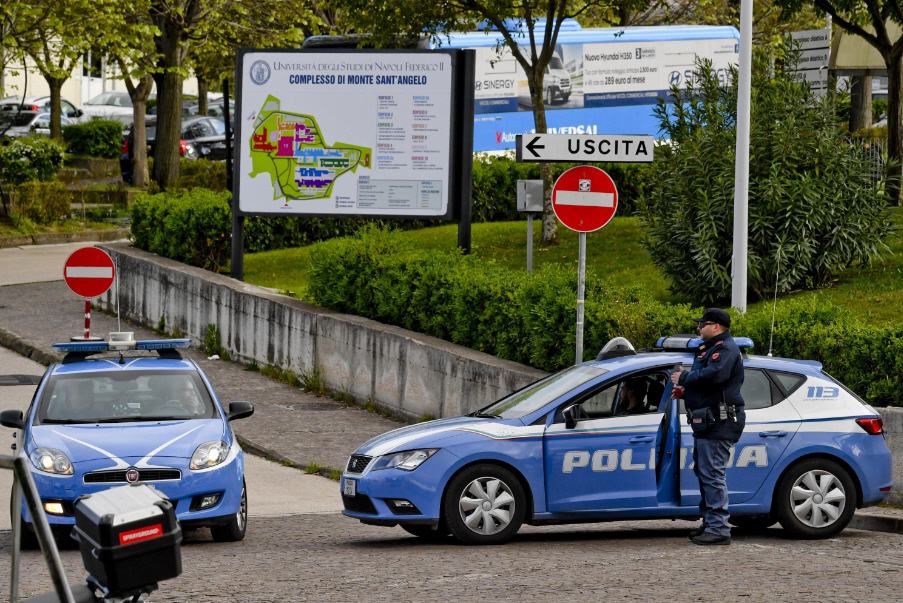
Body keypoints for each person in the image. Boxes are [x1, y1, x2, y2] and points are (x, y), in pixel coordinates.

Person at [670, 308, 745, 546]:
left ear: (715, 327)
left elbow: (715, 376)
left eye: (702, 324)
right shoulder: (712, 349)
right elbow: (710, 388)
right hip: (709, 423)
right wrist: (686, 392)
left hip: (719, 423)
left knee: (712, 474)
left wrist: (683, 378)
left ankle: (719, 528)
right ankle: (710, 523)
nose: (698, 328)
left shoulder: (724, 349)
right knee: (706, 474)